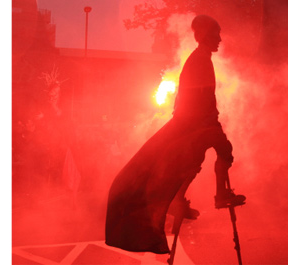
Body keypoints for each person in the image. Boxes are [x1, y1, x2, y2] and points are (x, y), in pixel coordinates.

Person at [105, 15, 244, 254]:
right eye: (215, 33)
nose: (219, 39)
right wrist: (212, 124)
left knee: (192, 162)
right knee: (224, 151)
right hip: (196, 124)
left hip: (192, 123)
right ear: (202, 36)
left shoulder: (199, 59)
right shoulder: (200, 60)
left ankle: (180, 199)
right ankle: (220, 195)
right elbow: (202, 99)